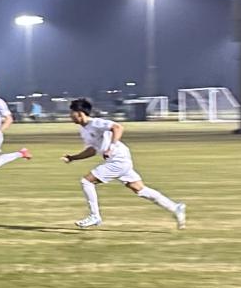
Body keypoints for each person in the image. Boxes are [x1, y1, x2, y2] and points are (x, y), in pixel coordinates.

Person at [62, 98, 185, 230]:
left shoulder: (96, 123)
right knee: (140, 189)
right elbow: (92, 150)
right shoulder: (83, 130)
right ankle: (175, 208)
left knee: (86, 182)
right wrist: (73, 157)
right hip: (118, 160)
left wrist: (111, 147)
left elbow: (118, 127)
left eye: (72, 113)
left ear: (80, 113)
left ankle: (95, 216)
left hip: (118, 159)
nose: (70, 116)